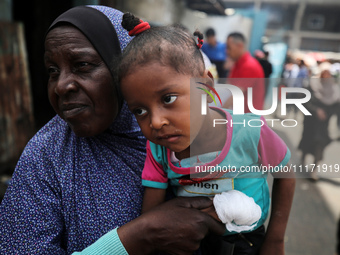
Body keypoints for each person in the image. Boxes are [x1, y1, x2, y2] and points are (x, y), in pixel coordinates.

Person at [0, 6, 225, 255]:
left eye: (82, 65)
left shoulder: (187, 132)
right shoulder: (45, 157)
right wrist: (138, 237)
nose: (61, 86)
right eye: (53, 71)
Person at [118, 13, 295, 255]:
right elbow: (153, 219)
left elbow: (286, 173)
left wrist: (275, 240)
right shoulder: (159, 149)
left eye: (168, 99)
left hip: (246, 242)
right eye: (140, 110)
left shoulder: (249, 130)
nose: (156, 122)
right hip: (189, 242)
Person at [298, 63, 340, 181]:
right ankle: (303, 159)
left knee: (320, 145)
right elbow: (305, 101)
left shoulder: (334, 89)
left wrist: (329, 115)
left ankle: (314, 169)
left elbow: (336, 107)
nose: (326, 76)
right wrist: (316, 111)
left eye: (328, 74)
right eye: (324, 73)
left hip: (324, 124)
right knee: (307, 141)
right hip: (311, 121)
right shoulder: (313, 85)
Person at [224, 32, 265, 113]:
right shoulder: (236, 64)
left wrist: (218, 110)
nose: (227, 51)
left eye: (229, 48)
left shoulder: (249, 66)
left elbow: (235, 95)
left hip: (248, 118)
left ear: (240, 46)